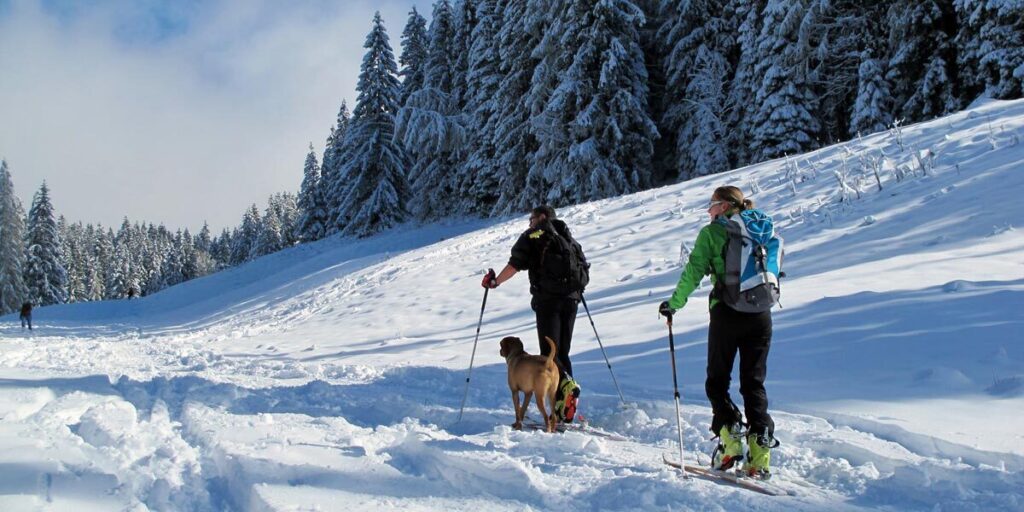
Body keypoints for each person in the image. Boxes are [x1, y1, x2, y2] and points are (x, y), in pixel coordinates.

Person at [658, 185, 778, 479]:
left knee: (717, 381)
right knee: (754, 383)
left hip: (727, 313)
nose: (709, 210)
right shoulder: (760, 229)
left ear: (724, 206)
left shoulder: (712, 233)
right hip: (761, 314)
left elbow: (694, 271)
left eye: (712, 204)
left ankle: (730, 441)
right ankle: (759, 455)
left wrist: (673, 304)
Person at [483, 205, 586, 422]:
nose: (529, 223)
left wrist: (495, 282)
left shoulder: (535, 235)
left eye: (531, 218)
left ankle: (563, 401)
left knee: (549, 353)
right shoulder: (567, 236)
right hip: (572, 300)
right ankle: (566, 405)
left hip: (549, 301)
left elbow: (515, 264)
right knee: (561, 352)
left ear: (542, 217)